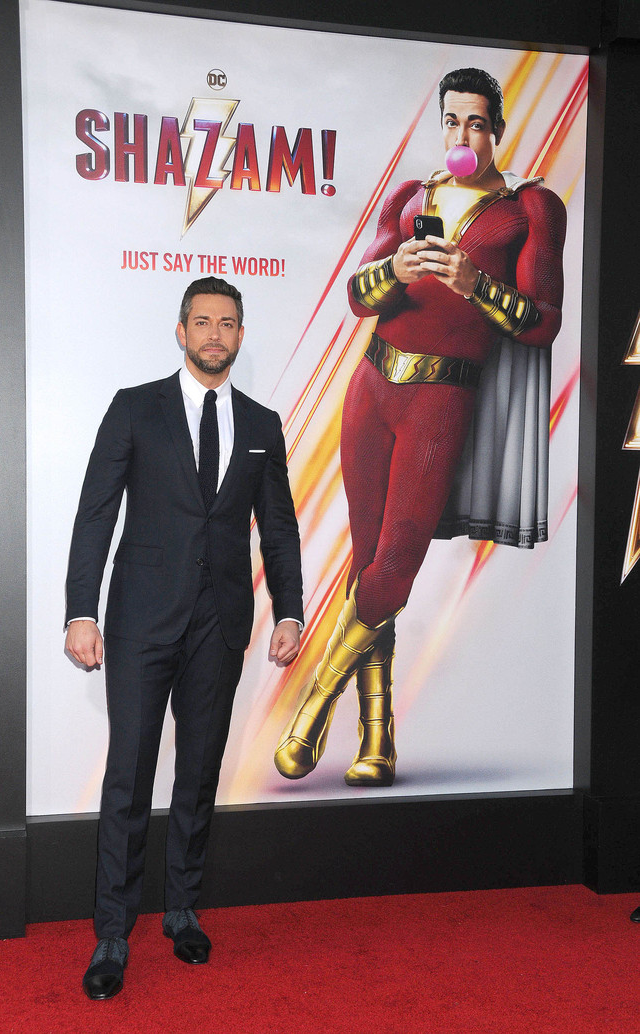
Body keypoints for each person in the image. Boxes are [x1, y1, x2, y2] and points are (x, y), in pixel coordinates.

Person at [275, 67, 565, 788]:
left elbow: (542, 325)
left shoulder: (530, 207)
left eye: (475, 122)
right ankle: (379, 742)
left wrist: (476, 285)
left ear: (497, 127)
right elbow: (355, 295)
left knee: (394, 564)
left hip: (443, 396)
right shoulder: (412, 198)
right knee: (368, 558)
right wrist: (398, 270)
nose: (462, 135)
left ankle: (313, 705)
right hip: (372, 387)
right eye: (451, 121)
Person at [65, 276, 303, 1000]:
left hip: (220, 623)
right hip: (139, 623)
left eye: (227, 323)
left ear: (239, 334)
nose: (213, 334)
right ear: (180, 331)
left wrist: (290, 610)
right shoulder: (136, 408)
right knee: (129, 777)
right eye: (201, 321)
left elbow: (281, 528)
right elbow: (96, 513)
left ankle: (182, 911)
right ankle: (112, 931)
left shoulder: (262, 424)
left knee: (199, 776)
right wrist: (82, 611)